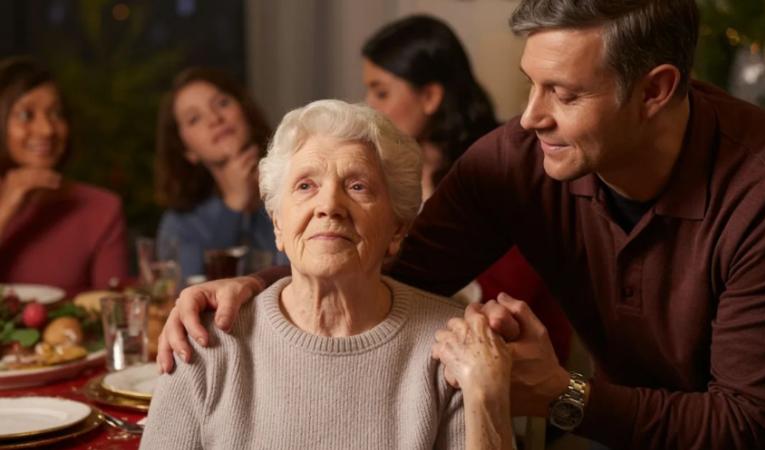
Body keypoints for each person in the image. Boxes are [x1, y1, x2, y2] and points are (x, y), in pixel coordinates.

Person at [157, 1, 765, 449]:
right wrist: (258, 288)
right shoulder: (518, 158)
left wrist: (561, 393)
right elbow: (394, 259)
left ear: (654, 91)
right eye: (530, 83)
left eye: (564, 94)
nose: (530, 116)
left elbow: (753, 426)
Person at [143, 100, 472, 448]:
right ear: (278, 225)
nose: (329, 205)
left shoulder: (452, 345)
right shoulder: (205, 341)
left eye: (357, 186)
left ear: (397, 229)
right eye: (305, 186)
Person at [362, 15, 571, 361]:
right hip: (433, 343)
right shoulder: (394, 172)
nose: (370, 106)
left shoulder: (500, 169)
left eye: (381, 92)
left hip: (517, 356)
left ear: (430, 96)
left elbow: (506, 293)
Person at [0, 56, 127, 295]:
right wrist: (7, 207)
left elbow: (115, 308)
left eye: (56, 114)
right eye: (26, 115)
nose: (47, 129)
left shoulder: (102, 208)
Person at [154, 67, 287, 281]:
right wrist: (233, 206)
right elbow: (192, 291)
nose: (215, 119)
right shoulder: (180, 224)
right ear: (187, 151)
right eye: (194, 119)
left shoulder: (296, 184)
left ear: (244, 111)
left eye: (222, 104)